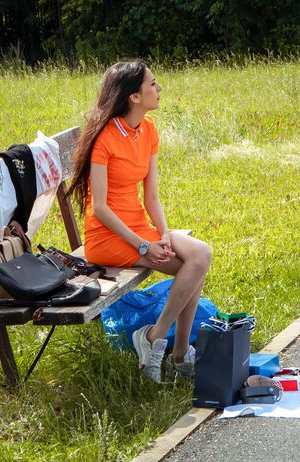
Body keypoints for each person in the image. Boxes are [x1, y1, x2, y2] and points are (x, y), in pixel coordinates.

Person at [62, 59, 212, 383]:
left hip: (139, 229)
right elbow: (100, 207)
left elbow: (152, 197)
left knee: (199, 256)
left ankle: (163, 342)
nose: (159, 89)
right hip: (107, 237)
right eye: (152, 84)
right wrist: (144, 244)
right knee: (193, 267)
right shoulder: (104, 139)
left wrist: (165, 234)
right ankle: (170, 349)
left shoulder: (148, 130)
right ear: (134, 96)